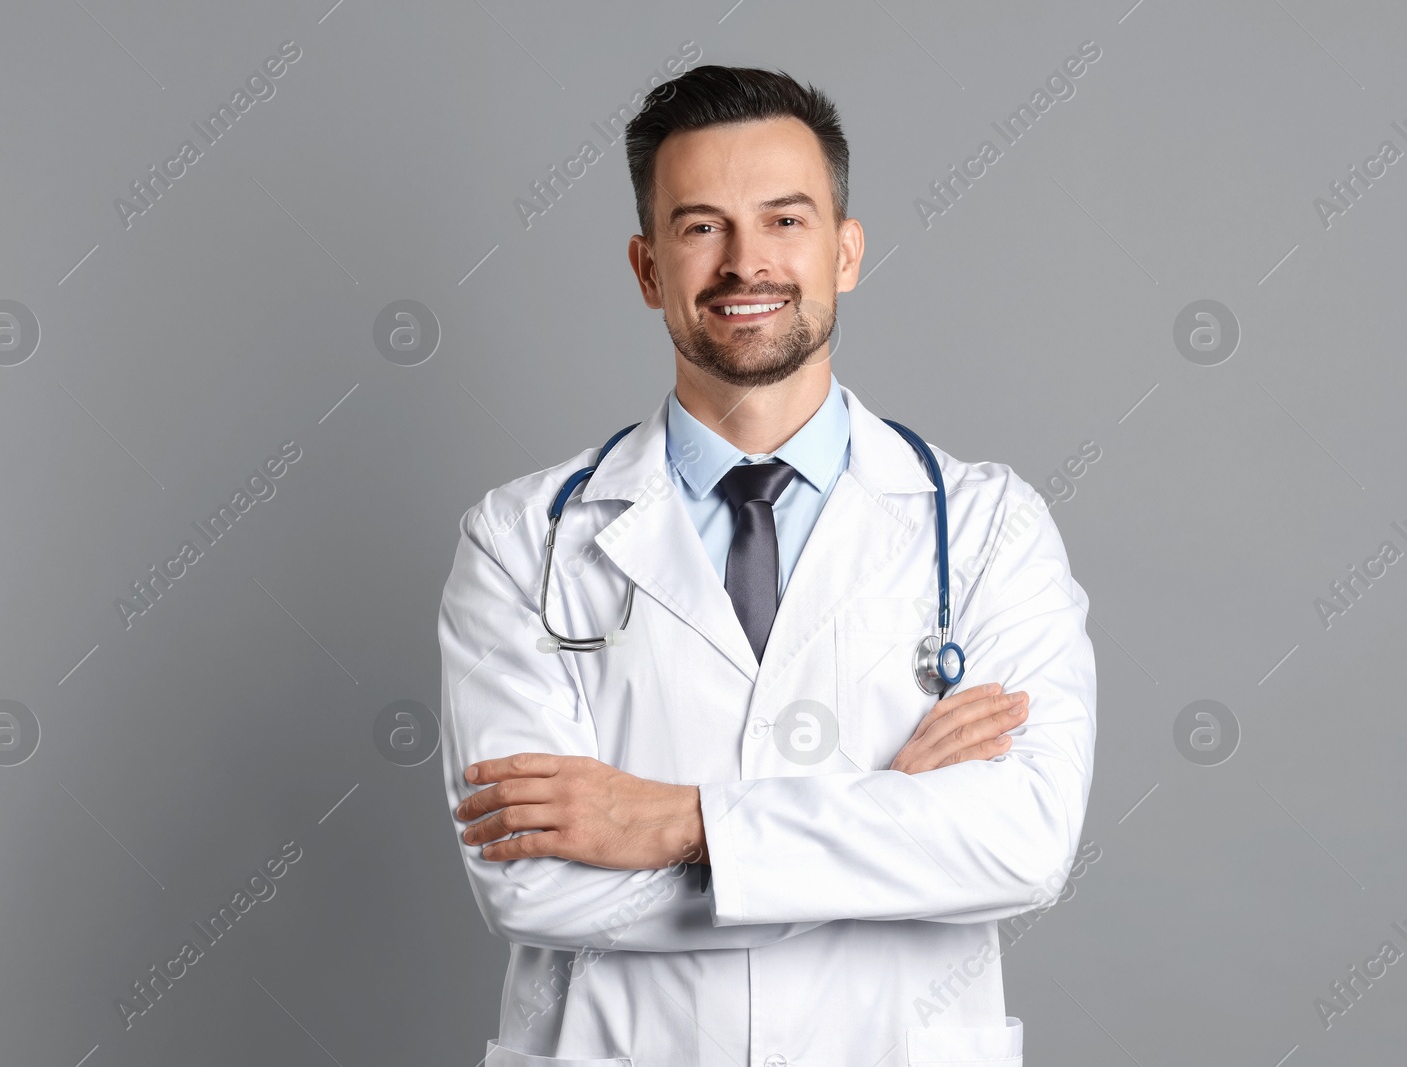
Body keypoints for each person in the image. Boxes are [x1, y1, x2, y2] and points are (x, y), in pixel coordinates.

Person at [438, 64, 1097, 1067]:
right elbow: (530, 882)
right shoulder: (522, 538)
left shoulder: (989, 525)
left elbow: (1020, 840)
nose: (746, 263)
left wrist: (669, 819)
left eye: (784, 221)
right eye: (701, 226)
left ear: (845, 252)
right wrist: (892, 808)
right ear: (648, 267)